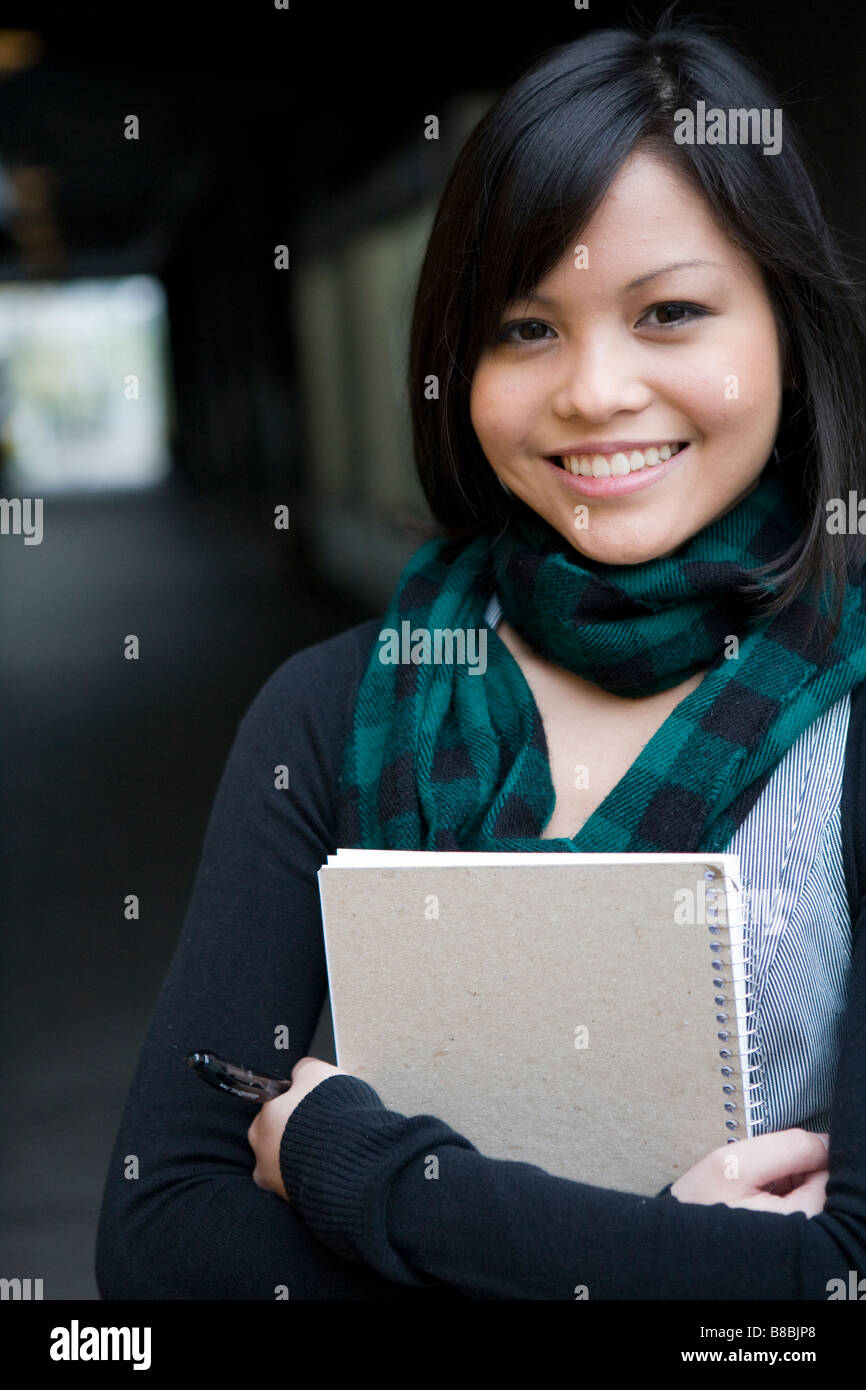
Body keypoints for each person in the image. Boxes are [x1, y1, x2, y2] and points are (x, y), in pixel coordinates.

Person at [96, 10, 866, 1300]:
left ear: (784, 327)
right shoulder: (332, 711)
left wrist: (358, 1171)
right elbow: (161, 1242)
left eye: (670, 312)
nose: (594, 391)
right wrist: (671, 1264)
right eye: (525, 328)